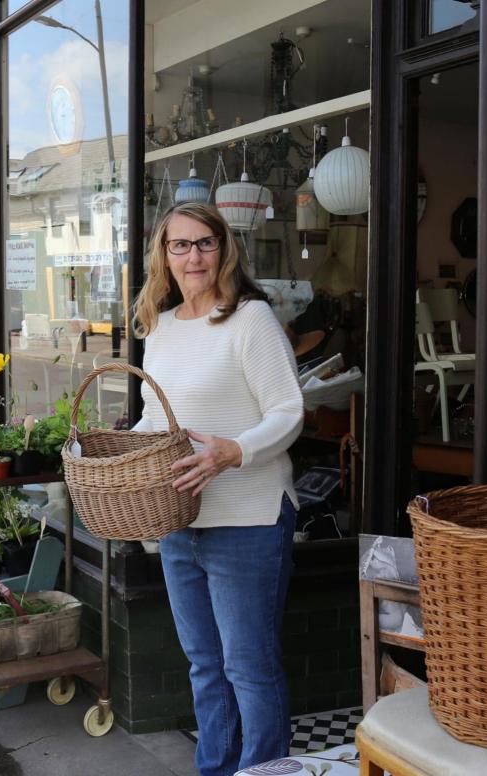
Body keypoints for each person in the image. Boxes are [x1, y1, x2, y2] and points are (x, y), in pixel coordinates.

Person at [131, 202, 304, 776]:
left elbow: (288, 411)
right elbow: (156, 421)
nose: (193, 256)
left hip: (249, 518)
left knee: (249, 667)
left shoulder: (249, 319)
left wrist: (235, 450)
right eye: (179, 245)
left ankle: (261, 771)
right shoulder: (161, 328)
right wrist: (109, 449)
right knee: (205, 664)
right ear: (164, 256)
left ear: (224, 249)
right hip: (180, 520)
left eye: (204, 243)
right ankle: (215, 769)